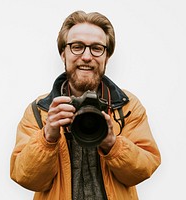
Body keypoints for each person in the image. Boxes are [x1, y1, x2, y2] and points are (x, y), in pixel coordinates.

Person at [10, 10, 161, 200]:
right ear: (63, 54)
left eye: (97, 48)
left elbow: (144, 169)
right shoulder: (40, 111)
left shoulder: (126, 106)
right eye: (77, 46)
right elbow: (25, 177)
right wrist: (47, 137)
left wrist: (112, 144)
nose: (87, 56)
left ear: (107, 56)